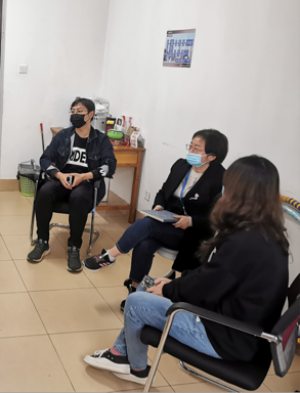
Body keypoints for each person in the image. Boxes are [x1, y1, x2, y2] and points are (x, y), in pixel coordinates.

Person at [84, 155, 290, 386]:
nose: (223, 191)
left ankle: (136, 368)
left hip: (225, 336)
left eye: (227, 186)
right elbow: (213, 276)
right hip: (228, 320)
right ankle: (120, 353)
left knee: (135, 302)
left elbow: (208, 284)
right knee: (148, 284)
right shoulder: (265, 233)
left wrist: (170, 289)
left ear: (240, 193)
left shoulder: (246, 243)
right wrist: (170, 285)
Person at [83, 129, 228, 309]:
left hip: (192, 233)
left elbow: (216, 220)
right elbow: (162, 192)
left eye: (196, 149)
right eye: (190, 146)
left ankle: (110, 255)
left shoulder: (221, 179)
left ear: (211, 156)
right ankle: (135, 291)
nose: (191, 151)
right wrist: (158, 206)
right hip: (167, 222)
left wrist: (190, 221)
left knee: (148, 225)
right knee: (144, 243)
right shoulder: (181, 166)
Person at [28, 98, 117, 272]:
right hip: (62, 178)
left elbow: (109, 166)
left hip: (86, 182)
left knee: (79, 197)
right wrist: (59, 175)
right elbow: (45, 159)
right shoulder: (63, 136)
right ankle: (42, 242)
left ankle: (74, 247)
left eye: (79, 112)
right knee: (44, 192)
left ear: (90, 115)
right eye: (73, 112)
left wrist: (84, 176)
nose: (75, 115)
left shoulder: (101, 140)